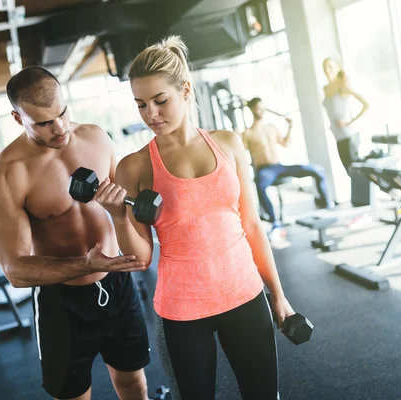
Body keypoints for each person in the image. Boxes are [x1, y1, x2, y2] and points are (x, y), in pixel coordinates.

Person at [94, 36, 294, 400]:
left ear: (185, 90)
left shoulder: (229, 144)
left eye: (160, 101)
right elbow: (140, 258)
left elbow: (251, 226)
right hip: (182, 310)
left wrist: (278, 295)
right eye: (140, 105)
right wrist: (118, 217)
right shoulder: (134, 166)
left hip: (245, 295)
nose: (150, 114)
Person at [0, 66, 151, 400]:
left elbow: (126, 210)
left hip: (117, 287)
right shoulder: (6, 175)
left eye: (62, 113)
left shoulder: (96, 138)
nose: (59, 128)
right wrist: (86, 265)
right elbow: (15, 269)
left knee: (134, 384)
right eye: (44, 123)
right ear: (18, 118)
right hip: (61, 302)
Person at [243, 97, 334, 232]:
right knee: (260, 185)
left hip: (279, 166)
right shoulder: (248, 133)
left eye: (262, 107)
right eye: (257, 107)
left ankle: (327, 205)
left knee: (318, 170)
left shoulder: (271, 127)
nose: (261, 110)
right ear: (251, 109)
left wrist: (290, 127)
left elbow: (285, 143)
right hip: (265, 170)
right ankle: (275, 220)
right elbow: (241, 155)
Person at [322, 57, 370, 173]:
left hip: (349, 135)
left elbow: (366, 104)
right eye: (324, 67)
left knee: (357, 173)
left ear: (337, 68)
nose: (327, 70)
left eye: (330, 67)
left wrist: (350, 121)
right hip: (338, 136)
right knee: (350, 172)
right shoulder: (325, 89)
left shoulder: (343, 88)